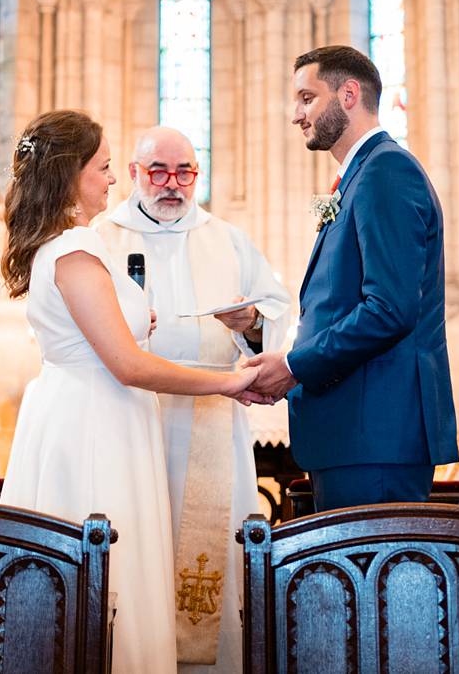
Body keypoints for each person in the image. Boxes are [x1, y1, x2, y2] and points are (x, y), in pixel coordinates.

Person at [0, 110, 259, 674]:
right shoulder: (76, 251)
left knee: (101, 579)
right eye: (105, 166)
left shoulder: (70, 247)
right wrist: (230, 381)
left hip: (92, 415)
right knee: (110, 579)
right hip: (99, 428)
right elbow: (127, 365)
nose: (112, 179)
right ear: (72, 174)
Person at [94, 126, 294, 673]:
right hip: (130, 412)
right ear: (133, 173)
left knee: (207, 557)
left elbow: (277, 315)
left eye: (185, 172)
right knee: (134, 538)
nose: (172, 185)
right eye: (158, 171)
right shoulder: (102, 237)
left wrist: (250, 323)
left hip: (211, 413)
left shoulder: (225, 238)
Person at [242, 45, 458, 511]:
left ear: (348, 94)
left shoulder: (386, 171)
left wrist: (295, 366)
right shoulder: (361, 174)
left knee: (374, 580)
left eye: (306, 98)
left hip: (376, 434)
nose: (294, 114)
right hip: (353, 432)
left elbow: (390, 309)